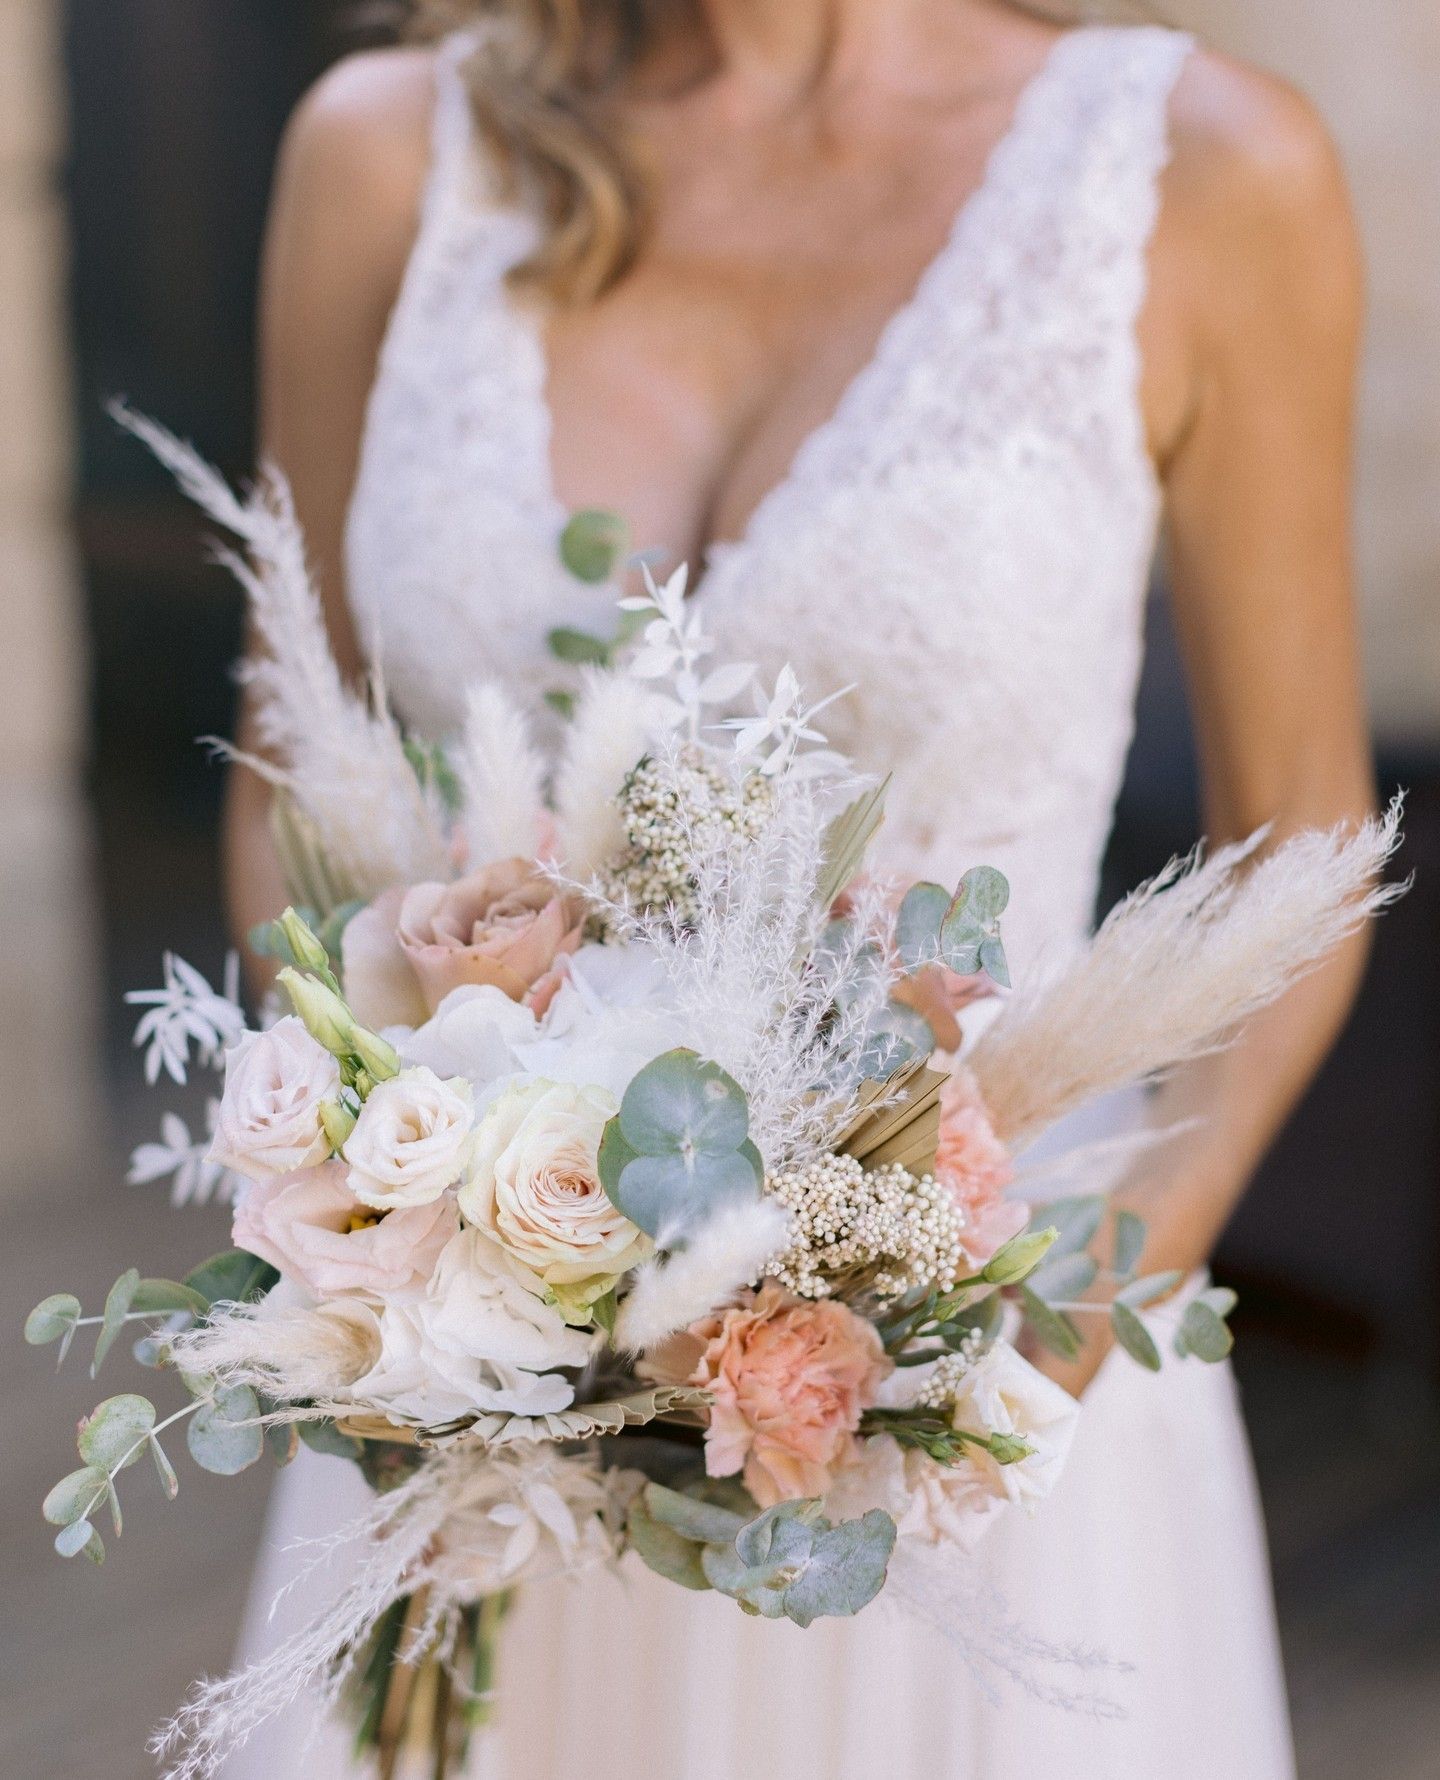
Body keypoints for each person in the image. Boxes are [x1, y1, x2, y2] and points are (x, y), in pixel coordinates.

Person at [223, 2, 1375, 1774]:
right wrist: (397, 1199)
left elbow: (1303, 834)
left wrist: (1099, 1274)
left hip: (980, 1400)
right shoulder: (387, 156)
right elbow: (292, 767)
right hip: (480, 1414)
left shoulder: (1209, 175)